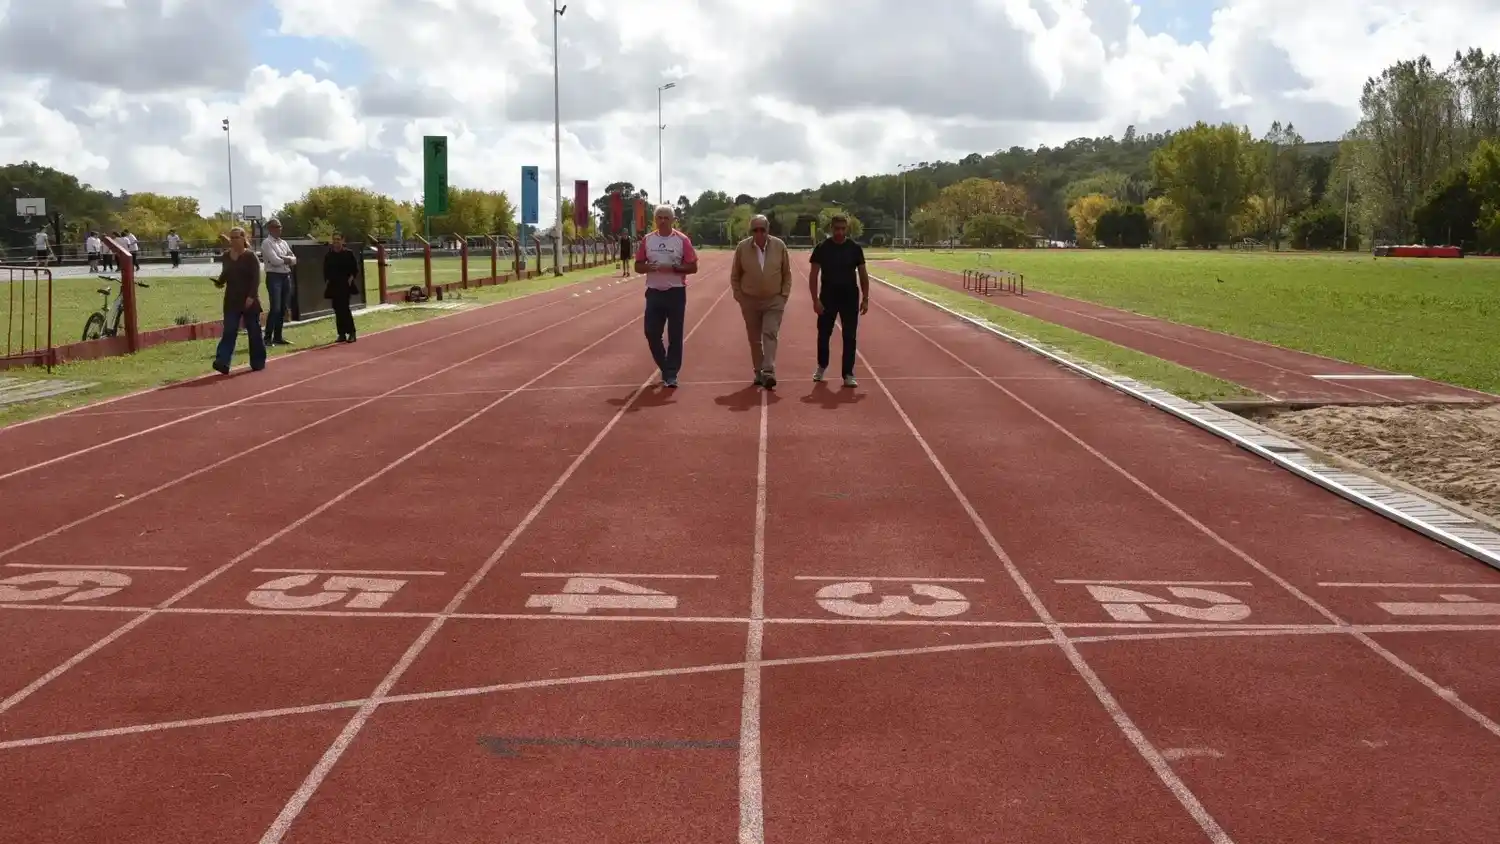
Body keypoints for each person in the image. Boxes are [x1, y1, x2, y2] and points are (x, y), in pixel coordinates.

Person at [633, 205, 698, 387]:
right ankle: (665, 367)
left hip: (676, 292)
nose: (662, 221)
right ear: (655, 220)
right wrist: (648, 267)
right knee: (651, 332)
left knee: (675, 335)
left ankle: (671, 374)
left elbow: (693, 267)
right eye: (659, 217)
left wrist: (674, 268)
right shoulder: (648, 240)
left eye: (666, 218)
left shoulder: (682, 240)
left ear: (673, 220)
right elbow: (637, 265)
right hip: (654, 292)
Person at [730, 214, 792, 389]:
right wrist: (739, 296)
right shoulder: (742, 248)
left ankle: (769, 371)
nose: (758, 233)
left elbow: (787, 273)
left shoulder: (779, 246)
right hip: (750, 301)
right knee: (754, 339)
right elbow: (735, 275)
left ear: (768, 230)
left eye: (762, 229)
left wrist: (783, 295)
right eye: (755, 230)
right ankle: (758, 371)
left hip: (774, 300)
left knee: (770, 333)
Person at [808, 215, 869, 387]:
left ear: (847, 229)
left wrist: (866, 299)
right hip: (828, 296)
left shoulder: (855, 248)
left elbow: (863, 274)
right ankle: (821, 366)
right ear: (831, 228)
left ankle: (848, 373)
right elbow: (813, 275)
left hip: (850, 296)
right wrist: (815, 300)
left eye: (843, 228)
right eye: (837, 228)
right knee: (823, 334)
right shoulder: (822, 248)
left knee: (849, 336)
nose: (840, 232)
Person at [211, 226, 266, 375]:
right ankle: (222, 361)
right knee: (229, 330)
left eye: (237, 237)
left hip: (249, 300)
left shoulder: (250, 256)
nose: (234, 240)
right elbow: (226, 273)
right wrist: (219, 282)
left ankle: (258, 361)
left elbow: (256, 278)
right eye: (232, 237)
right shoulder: (227, 256)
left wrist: (251, 296)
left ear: (244, 238)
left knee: (254, 331)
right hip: (231, 300)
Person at [260, 218, 297, 346]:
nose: (279, 229)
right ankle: (267, 337)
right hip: (274, 277)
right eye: (276, 227)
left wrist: (285, 259)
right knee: (275, 308)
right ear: (270, 229)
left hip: (285, 276)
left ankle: (278, 336)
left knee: (282, 308)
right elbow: (274, 261)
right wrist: (287, 260)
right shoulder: (267, 243)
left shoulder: (283, 243)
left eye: (280, 226)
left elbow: (294, 259)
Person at [323, 231, 360, 343]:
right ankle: (341, 333)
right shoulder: (329, 255)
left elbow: (355, 269)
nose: (336, 242)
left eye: (338, 239)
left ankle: (352, 333)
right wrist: (328, 281)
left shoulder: (348, 253)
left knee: (344, 309)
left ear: (342, 241)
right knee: (337, 309)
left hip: (345, 285)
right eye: (334, 239)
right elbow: (325, 270)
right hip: (334, 285)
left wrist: (350, 279)